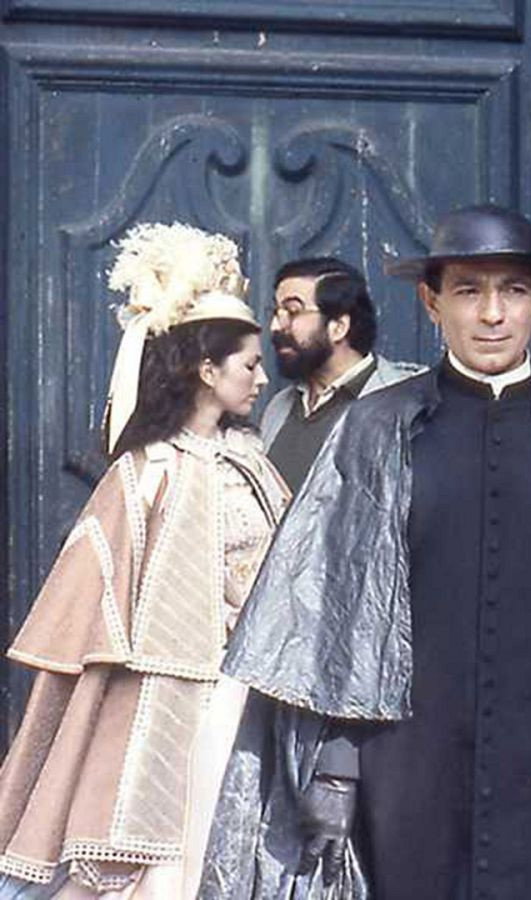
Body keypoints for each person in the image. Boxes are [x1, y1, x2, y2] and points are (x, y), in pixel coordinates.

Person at [203, 204, 531, 899]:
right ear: (432, 303)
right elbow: (328, 618)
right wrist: (335, 765)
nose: (492, 314)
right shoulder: (374, 430)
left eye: (513, 290)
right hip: (404, 768)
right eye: (468, 291)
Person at [0, 223, 288, 898]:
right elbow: (94, 583)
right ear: (206, 369)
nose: (261, 377)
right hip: (159, 694)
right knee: (150, 851)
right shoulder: (148, 471)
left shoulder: (252, 460)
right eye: (249, 364)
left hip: (250, 689)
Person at [260, 257, 424, 492]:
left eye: (293, 311)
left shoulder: (404, 404)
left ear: (338, 327)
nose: (276, 326)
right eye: (276, 312)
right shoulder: (278, 407)